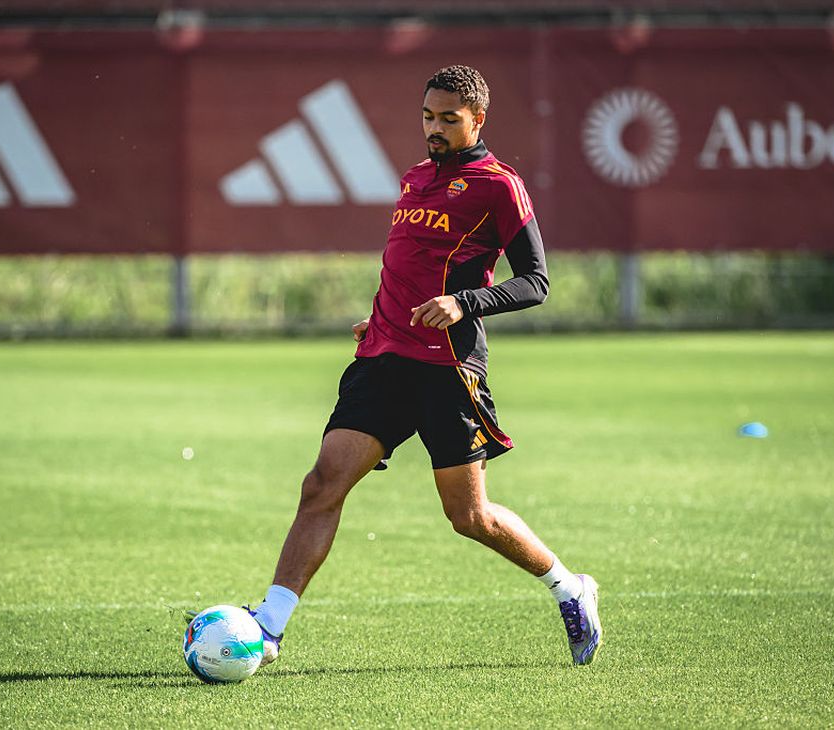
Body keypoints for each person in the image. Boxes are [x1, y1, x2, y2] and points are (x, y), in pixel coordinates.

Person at [248, 65, 602, 667]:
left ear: (478, 120)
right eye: (427, 116)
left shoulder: (499, 185)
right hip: (384, 358)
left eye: (448, 119)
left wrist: (464, 302)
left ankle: (570, 588)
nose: (434, 128)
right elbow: (407, 265)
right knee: (322, 484)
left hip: (448, 368)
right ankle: (269, 627)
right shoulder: (415, 178)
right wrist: (378, 317)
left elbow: (536, 281)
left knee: (469, 516)